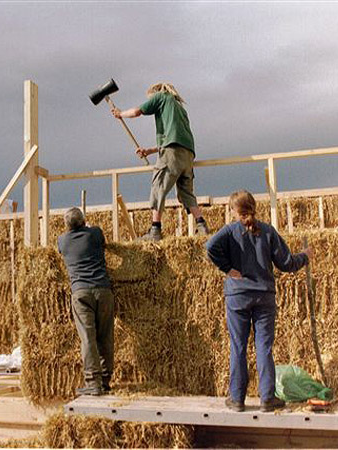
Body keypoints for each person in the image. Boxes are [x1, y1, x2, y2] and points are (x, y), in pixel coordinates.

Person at [206, 190, 313, 413]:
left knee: (238, 346)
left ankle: (236, 399)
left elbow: (209, 247)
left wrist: (228, 269)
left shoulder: (230, 231)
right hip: (264, 296)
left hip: (237, 296)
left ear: (234, 210)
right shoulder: (267, 231)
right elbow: (286, 263)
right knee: (264, 347)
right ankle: (267, 398)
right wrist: (304, 256)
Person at [112, 82, 209, 240]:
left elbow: (137, 111)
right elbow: (174, 138)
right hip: (188, 154)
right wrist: (150, 151)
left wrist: (121, 113)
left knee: (158, 186)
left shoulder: (161, 97)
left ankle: (155, 230)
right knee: (186, 193)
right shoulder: (180, 109)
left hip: (172, 152)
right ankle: (202, 226)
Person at [57, 207, 114, 396]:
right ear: (83, 221)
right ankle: (105, 380)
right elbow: (102, 241)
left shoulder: (63, 241)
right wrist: (87, 227)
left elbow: (60, 250)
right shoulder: (95, 233)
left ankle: (93, 382)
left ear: (67, 225)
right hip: (103, 290)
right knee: (105, 336)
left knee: (88, 338)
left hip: (81, 292)